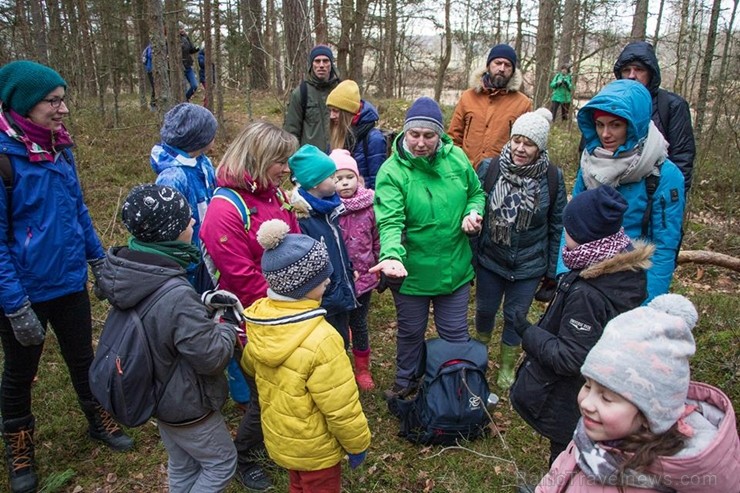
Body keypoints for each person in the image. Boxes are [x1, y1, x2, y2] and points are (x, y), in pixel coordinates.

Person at [0, 60, 132, 493]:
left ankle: (98, 418)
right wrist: (15, 304)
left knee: (83, 357)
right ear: (23, 105)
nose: (63, 110)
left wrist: (97, 261)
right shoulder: (5, 159)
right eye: (52, 102)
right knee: (20, 373)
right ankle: (20, 450)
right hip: (24, 290)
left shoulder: (60, 148)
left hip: (69, 280)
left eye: (63, 100)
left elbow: (77, 211)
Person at [101, 184, 240, 493]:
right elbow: (211, 357)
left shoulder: (133, 270)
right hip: (187, 404)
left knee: (183, 464)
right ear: (171, 232)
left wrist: (200, 303)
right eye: (186, 220)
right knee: (220, 464)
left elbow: (159, 319)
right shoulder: (174, 291)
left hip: (157, 394)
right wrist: (227, 325)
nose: (193, 223)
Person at [536, 294, 740, 492]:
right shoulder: (602, 430)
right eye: (588, 385)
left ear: (650, 413)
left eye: (606, 397)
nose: (587, 403)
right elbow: (563, 468)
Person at [509, 185, 652, 466]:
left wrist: (527, 331)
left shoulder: (589, 292)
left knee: (566, 457)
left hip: (570, 397)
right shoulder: (620, 268)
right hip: (598, 389)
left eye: (569, 229)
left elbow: (569, 357)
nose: (565, 234)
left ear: (587, 235)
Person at [199, 120, 299, 492]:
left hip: (291, 308)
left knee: (286, 386)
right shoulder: (225, 209)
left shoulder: (275, 194)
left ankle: (278, 443)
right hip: (257, 318)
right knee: (264, 392)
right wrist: (289, 308)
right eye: (280, 161)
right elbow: (242, 278)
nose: (287, 170)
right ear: (258, 158)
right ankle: (246, 455)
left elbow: (296, 243)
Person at [242, 219, 371, 493]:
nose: (327, 281)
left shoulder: (259, 321)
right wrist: (357, 444)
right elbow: (340, 406)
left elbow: (250, 367)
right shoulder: (322, 340)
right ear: (303, 286)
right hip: (317, 448)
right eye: (322, 278)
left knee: (298, 484)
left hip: (282, 438)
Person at [370, 97, 486, 399]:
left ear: (440, 135)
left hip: (454, 268)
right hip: (413, 271)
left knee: (455, 334)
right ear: (405, 134)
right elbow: (390, 221)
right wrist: (392, 255)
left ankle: (457, 383)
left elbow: (475, 192)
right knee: (411, 331)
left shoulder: (457, 159)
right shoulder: (392, 172)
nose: (421, 142)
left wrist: (473, 213)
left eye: (429, 135)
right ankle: (406, 379)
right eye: (414, 134)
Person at [558, 79, 685, 302]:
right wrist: (563, 275)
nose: (605, 134)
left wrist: (648, 304)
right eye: (600, 125)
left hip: (631, 284)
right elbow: (572, 222)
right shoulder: (590, 163)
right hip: (587, 277)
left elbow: (664, 246)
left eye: (615, 125)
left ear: (634, 124)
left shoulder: (664, 175)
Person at [472, 108, 567, 390]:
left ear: (540, 148)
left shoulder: (552, 177)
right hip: (491, 258)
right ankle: (478, 356)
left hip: (529, 264)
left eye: (529, 144)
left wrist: (552, 270)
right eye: (517, 141)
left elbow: (557, 224)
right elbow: (476, 211)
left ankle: (507, 366)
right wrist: (473, 255)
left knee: (516, 316)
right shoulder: (489, 169)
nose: (520, 149)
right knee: (486, 310)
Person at [289, 145, 357, 348]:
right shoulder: (304, 219)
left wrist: (349, 270)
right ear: (315, 182)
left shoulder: (330, 208)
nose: (336, 181)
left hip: (340, 291)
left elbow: (338, 247)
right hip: (324, 299)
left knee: (342, 340)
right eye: (331, 177)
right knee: (327, 344)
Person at [613, 41, 696, 193]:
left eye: (639, 70)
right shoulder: (611, 104)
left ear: (650, 73)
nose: (632, 76)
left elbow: (682, 158)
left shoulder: (672, 106)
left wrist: (672, 199)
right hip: (614, 193)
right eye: (626, 70)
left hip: (655, 195)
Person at [331, 149, 380, 391]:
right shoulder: (328, 208)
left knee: (359, 323)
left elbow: (377, 237)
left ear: (357, 178)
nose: (344, 183)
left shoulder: (369, 206)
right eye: (338, 178)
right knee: (337, 325)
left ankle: (362, 368)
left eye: (348, 177)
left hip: (364, 278)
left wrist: (379, 265)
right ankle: (338, 365)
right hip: (337, 280)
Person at [449, 44, 533, 168]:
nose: (502, 68)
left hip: (500, 175)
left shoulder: (523, 104)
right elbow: (454, 136)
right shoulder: (468, 97)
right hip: (466, 170)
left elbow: (526, 145)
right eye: (498, 63)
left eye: (507, 65)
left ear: (513, 70)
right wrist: (456, 165)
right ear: (488, 66)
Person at [150, 102, 218, 252]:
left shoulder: (202, 161)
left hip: (208, 247)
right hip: (190, 258)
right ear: (199, 139)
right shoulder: (173, 178)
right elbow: (169, 229)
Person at [326, 80, 387, 188]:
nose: (332, 116)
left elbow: (377, 181)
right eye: (330, 111)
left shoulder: (374, 139)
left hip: (364, 202)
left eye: (336, 111)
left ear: (348, 112)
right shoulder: (337, 134)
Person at [283, 45, 341, 151]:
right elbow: (291, 133)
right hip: (311, 159)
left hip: (338, 157)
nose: (321, 65)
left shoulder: (341, 90)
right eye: (317, 61)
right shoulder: (301, 93)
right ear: (311, 64)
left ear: (331, 64)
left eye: (325, 61)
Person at [179, 23, 199, 102]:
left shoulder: (186, 37)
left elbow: (191, 50)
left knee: (194, 85)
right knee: (182, 86)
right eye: (180, 28)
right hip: (179, 66)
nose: (182, 30)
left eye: (183, 28)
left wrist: (197, 49)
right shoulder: (172, 39)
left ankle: (186, 98)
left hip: (188, 65)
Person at [142, 43, 155, 109]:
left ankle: (153, 104)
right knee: (155, 87)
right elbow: (150, 55)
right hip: (151, 70)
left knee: (155, 87)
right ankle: (152, 105)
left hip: (152, 69)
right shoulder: (151, 47)